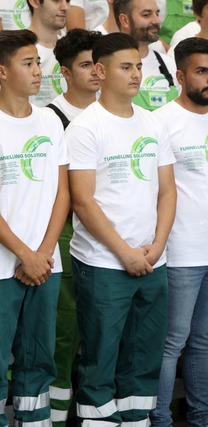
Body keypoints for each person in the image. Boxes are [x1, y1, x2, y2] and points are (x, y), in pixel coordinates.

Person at [66, 32, 177, 426]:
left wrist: (157, 245)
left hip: (152, 259)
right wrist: (124, 252)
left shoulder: (153, 122)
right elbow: (82, 200)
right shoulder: (85, 127)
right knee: (101, 361)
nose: (136, 74)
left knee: (143, 359)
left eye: (139, 66)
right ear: (100, 70)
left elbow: (167, 192)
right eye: (125, 67)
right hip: (102, 263)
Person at [149, 37, 208, 427]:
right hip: (180, 252)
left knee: (203, 342)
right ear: (180, 76)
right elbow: (155, 191)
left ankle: (201, 419)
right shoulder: (161, 120)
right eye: (202, 71)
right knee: (172, 344)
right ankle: (161, 420)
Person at [0, 28, 69, 427]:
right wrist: (25, 254)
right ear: (3, 72)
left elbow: (62, 193)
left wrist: (42, 253)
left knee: (38, 359)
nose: (37, 70)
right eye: (27, 63)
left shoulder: (49, 122)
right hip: (6, 265)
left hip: (46, 264)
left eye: (37, 62)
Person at [47, 28, 102, 427]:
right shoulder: (50, 117)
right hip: (66, 230)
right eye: (85, 65)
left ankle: (96, 411)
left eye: (98, 63)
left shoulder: (117, 112)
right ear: (65, 72)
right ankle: (53, 414)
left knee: (102, 326)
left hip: (110, 232)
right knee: (65, 327)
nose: (96, 72)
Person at [115, 0, 179, 110]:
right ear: (124, 20)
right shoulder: (108, 66)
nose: (157, 21)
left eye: (157, 14)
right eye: (146, 15)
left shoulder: (171, 65)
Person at [27, 0, 69, 106]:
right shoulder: (15, 49)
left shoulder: (76, 47)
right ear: (35, 2)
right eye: (56, 0)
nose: (65, 7)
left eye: (68, 1)